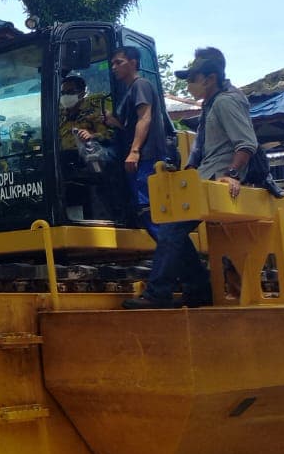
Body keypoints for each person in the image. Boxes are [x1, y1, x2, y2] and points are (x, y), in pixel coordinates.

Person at [121, 50, 260, 308]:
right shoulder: (211, 103)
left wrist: (231, 175)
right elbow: (203, 148)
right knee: (171, 228)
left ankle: (159, 294)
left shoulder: (225, 101)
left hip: (216, 180)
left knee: (171, 228)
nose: (188, 85)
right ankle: (196, 289)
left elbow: (246, 143)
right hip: (203, 178)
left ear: (209, 79)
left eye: (192, 79)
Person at [78, 46, 169, 238]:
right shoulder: (129, 92)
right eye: (112, 64)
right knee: (144, 210)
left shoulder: (140, 85)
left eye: (119, 62)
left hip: (146, 158)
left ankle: (175, 259)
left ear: (133, 63)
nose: (114, 67)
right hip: (137, 158)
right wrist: (114, 123)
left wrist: (135, 151)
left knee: (149, 211)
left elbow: (145, 118)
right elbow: (131, 125)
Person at [57, 74, 110, 151]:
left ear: (82, 94)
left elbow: (108, 136)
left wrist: (91, 136)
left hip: (88, 157)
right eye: (63, 93)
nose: (65, 96)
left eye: (70, 92)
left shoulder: (94, 111)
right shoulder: (58, 115)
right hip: (61, 157)